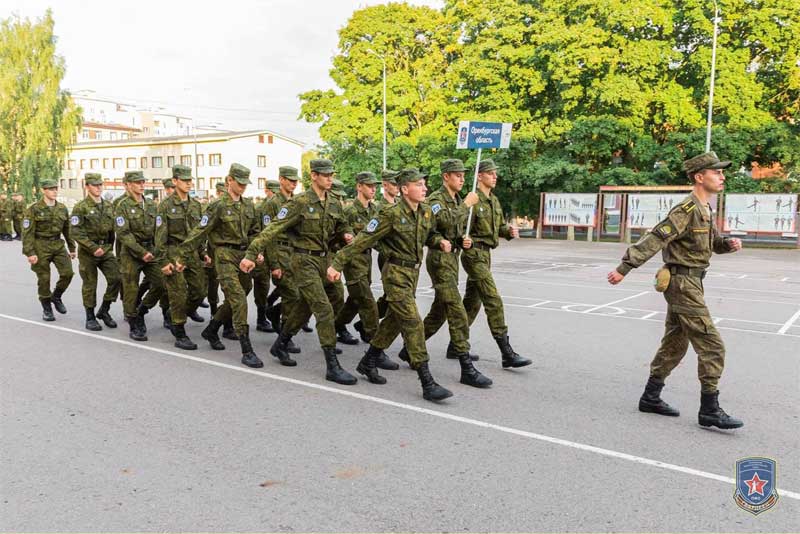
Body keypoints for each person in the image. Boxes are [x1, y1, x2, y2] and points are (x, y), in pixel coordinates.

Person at [608, 151, 744, 430]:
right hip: (682, 283)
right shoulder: (687, 210)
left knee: (675, 343)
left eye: (721, 172)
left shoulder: (706, 209)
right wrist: (624, 267)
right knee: (712, 345)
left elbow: (712, 243)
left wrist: (727, 244)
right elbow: (657, 237)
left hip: (692, 282)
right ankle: (709, 410)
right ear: (699, 177)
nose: (722, 176)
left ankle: (650, 397)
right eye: (716, 172)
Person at [327, 168, 454, 402]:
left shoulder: (425, 212)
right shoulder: (390, 214)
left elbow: (429, 236)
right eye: (419, 184)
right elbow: (363, 239)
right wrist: (337, 263)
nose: (425, 188)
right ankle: (427, 381)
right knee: (413, 322)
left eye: (425, 184)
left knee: (394, 322)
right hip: (395, 273)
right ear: (405, 189)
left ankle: (368, 361)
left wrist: (439, 242)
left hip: (412, 275)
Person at [240, 159, 356, 385]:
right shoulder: (300, 202)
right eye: (325, 175)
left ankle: (281, 343)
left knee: (318, 302)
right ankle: (332, 365)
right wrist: (251, 254)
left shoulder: (333, 202)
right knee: (323, 309)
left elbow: (343, 225)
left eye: (332, 174)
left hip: (325, 260)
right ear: (313, 176)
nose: (330, 178)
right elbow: (272, 229)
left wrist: (347, 234)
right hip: (303, 261)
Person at [413, 158, 490, 387]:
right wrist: (466, 205)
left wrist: (461, 239)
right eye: (458, 175)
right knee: (456, 310)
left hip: (452, 259)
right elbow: (437, 227)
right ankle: (466, 366)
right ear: (446, 176)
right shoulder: (436, 200)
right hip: (439, 260)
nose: (462, 178)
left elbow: (453, 229)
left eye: (464, 175)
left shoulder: (456, 199)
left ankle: (410, 349)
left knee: (439, 312)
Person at [177, 164, 263, 367]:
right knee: (238, 299)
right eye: (239, 182)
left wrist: (256, 251)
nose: (242, 187)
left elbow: (255, 232)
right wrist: (181, 257)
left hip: (243, 255)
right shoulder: (217, 206)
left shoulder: (249, 205)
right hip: (223, 255)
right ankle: (247, 349)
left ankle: (212, 328)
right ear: (229, 180)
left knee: (245, 289)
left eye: (245, 183)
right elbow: (199, 232)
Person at [462, 159, 531, 368]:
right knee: (493, 299)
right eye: (490, 173)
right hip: (473, 255)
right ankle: (506, 352)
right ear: (480, 176)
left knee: (472, 303)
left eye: (495, 173)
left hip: (486, 255)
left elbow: (498, 227)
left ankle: (456, 344)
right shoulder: (473, 199)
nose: (495, 176)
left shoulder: (494, 200)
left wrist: (507, 231)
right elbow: (457, 225)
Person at [332, 171, 398, 370]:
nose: (373, 189)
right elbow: (338, 231)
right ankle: (376, 348)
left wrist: (390, 251)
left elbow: (375, 236)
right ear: (359, 186)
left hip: (367, 258)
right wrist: (346, 238)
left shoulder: (375, 209)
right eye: (369, 186)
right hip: (352, 260)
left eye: (375, 186)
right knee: (367, 302)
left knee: (355, 299)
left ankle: (335, 325)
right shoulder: (350, 210)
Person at [155, 164, 209, 350]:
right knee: (178, 293)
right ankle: (179, 331)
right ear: (175, 181)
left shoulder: (196, 205)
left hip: (192, 253)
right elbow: (160, 237)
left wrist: (203, 252)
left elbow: (199, 233)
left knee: (200, 291)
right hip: (173, 252)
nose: (188, 183)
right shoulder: (165, 206)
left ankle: (175, 313)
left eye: (190, 180)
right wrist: (164, 261)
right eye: (185, 180)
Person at [114, 170, 166, 341]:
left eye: (143, 182)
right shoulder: (122, 205)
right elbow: (124, 234)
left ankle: (142, 310)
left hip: (150, 251)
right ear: (128, 185)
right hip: (131, 253)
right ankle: (133, 321)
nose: (142, 185)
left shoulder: (151, 205)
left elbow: (159, 229)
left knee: (161, 283)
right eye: (137, 182)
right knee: (130, 288)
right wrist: (141, 253)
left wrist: (155, 250)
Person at [260, 166, 305, 352]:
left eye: (296, 180)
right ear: (281, 180)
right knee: (292, 296)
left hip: (294, 255)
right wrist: (274, 264)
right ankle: (285, 336)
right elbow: (267, 235)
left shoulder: (296, 201)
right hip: (279, 252)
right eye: (290, 180)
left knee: (296, 295)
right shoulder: (272, 204)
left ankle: (274, 312)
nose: (294, 183)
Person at [70, 173, 120, 331]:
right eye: (95, 185)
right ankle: (90, 317)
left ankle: (104, 310)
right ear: (87, 187)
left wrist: (108, 248)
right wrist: (92, 247)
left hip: (105, 250)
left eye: (100, 185)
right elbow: (76, 232)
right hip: (88, 253)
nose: (98, 187)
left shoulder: (109, 206)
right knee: (90, 285)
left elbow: (112, 230)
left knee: (117, 278)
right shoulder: (81, 207)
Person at [22, 179, 75, 321]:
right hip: (40, 246)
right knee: (44, 279)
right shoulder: (34, 209)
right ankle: (47, 308)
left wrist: (72, 248)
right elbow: (27, 233)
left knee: (68, 273)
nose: (54, 191)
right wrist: (30, 253)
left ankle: (56, 296)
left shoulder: (62, 208)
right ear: (43, 190)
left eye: (56, 188)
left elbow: (67, 230)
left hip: (58, 245)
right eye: (51, 189)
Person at [373, 169, 400, 318]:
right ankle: (369, 322)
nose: (397, 187)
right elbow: (372, 236)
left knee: (392, 295)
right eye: (394, 184)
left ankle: (368, 321)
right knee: (392, 295)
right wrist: (386, 250)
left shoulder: (400, 204)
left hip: (400, 255)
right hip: (387, 256)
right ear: (385, 185)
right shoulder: (380, 208)